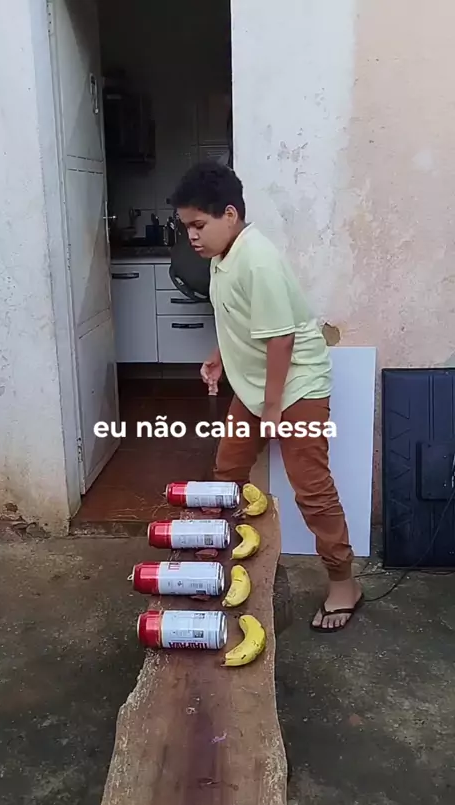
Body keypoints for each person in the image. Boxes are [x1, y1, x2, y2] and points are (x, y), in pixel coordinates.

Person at [170, 162, 363, 632]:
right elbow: (239, 318)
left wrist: (273, 407)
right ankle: (219, 554)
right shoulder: (221, 258)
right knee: (228, 471)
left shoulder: (257, 260)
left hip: (296, 386)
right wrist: (220, 357)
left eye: (199, 225)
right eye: (186, 226)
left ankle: (344, 583)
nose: (192, 236)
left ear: (229, 214)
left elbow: (281, 339)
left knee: (311, 489)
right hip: (259, 387)